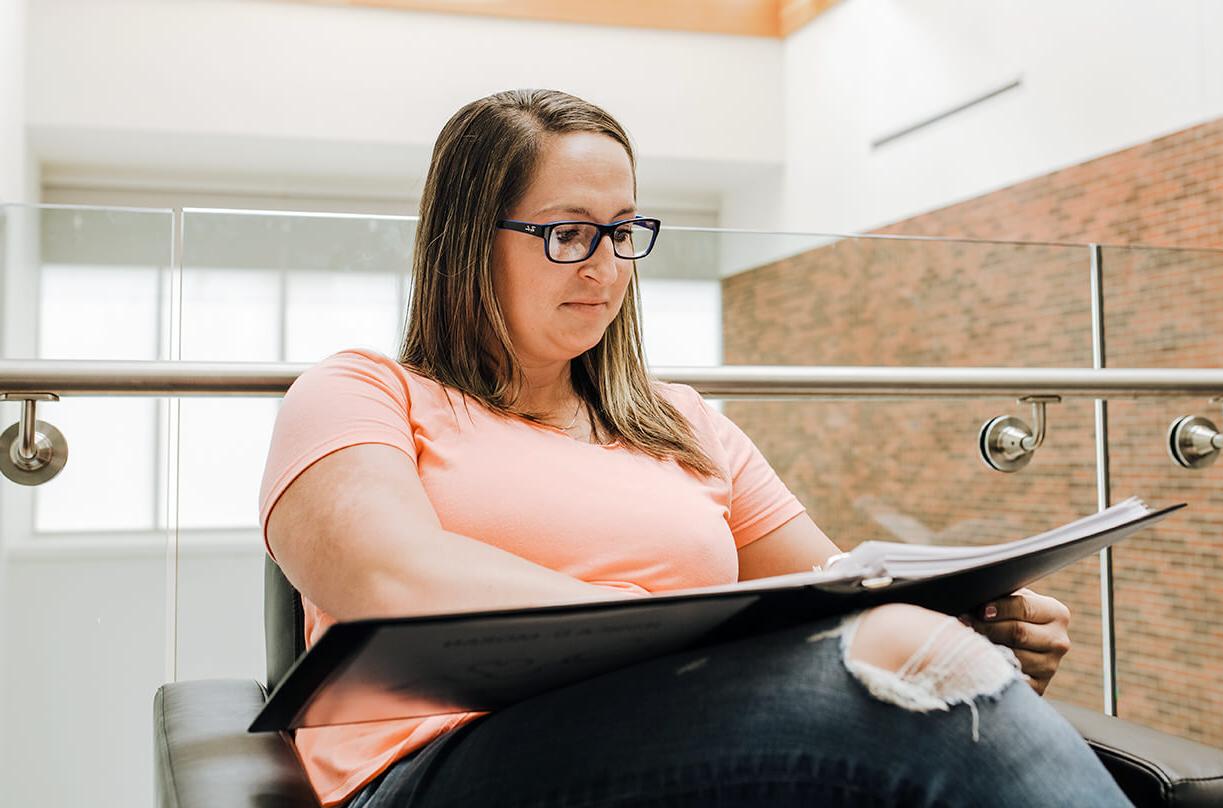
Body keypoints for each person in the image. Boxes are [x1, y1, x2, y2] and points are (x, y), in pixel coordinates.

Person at [258, 88, 1133, 807]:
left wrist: (977, 633)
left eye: (624, 231)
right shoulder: (362, 392)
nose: (605, 268)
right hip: (442, 765)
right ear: (465, 241)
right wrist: (675, 636)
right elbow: (386, 584)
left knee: (915, 647)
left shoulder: (683, 422)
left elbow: (841, 600)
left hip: (681, 732)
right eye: (567, 233)